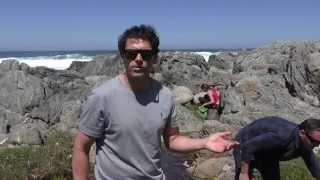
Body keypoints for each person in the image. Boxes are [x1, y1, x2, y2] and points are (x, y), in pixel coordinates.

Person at [72, 24, 239, 180]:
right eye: (131, 53)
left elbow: (172, 140)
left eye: (145, 54)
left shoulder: (165, 95)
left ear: (154, 58)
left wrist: (204, 142)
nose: (138, 59)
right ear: (123, 56)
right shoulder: (102, 96)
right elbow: (81, 148)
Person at [233, 116, 320, 180]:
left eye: (319, 142)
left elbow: (315, 168)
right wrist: (244, 173)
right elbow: (248, 147)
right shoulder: (282, 136)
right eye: (314, 141)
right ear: (302, 133)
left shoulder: (307, 145)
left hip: (270, 152)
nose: (316, 145)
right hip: (246, 142)